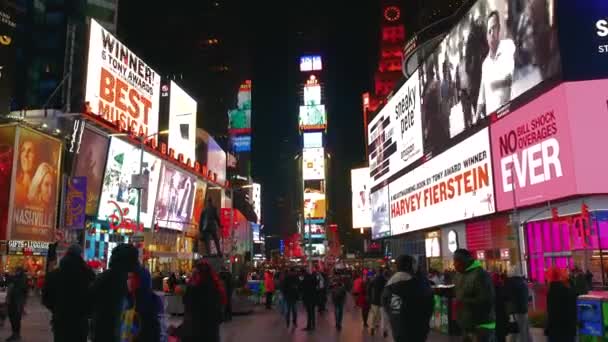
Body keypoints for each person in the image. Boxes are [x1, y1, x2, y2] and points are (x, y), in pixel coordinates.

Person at [42, 245, 95, 342]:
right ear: (80, 256)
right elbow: (93, 296)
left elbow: (45, 297)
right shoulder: (88, 274)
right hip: (80, 320)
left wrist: (56, 308)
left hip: (61, 319)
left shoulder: (55, 275)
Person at [91, 243, 140, 342]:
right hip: (114, 333)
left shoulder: (105, 277)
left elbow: (90, 301)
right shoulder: (126, 279)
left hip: (103, 331)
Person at [382, 255, 434, 342]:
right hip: (418, 329)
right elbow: (428, 305)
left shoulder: (390, 286)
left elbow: (391, 309)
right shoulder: (419, 284)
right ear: (411, 266)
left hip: (399, 331)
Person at [476, 10, 516, 120]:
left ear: (499, 28)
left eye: (494, 28)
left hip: (511, 113)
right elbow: (481, 95)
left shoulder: (508, 46)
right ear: (486, 36)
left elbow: (511, 78)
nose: (492, 33)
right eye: (489, 30)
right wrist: (476, 118)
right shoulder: (485, 64)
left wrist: (496, 84)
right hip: (493, 119)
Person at [453, 249, 496, 342]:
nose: (454, 264)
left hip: (481, 325)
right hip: (466, 324)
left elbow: (487, 300)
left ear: (464, 261)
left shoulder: (480, 275)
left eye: (456, 261)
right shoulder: (459, 275)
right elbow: (459, 293)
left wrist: (463, 301)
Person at [180, 260, 226, 342]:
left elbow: (186, 300)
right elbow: (220, 300)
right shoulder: (215, 282)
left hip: (195, 323)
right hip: (211, 323)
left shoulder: (194, 283)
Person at [120, 266, 163, 342]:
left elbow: (155, 332)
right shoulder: (127, 299)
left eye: (131, 277)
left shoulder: (152, 302)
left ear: (141, 280)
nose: (128, 281)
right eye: (128, 277)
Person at [545, 267, 577, 342]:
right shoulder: (567, 290)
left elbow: (550, 313)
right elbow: (573, 309)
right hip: (567, 328)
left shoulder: (550, 292)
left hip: (554, 329)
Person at [505, 267, 531, 342]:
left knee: (515, 330)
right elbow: (528, 296)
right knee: (524, 330)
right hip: (524, 309)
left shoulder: (510, 284)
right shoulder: (523, 282)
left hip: (515, 311)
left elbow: (507, 297)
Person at [5, 268, 28, 341]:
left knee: (15, 319)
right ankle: (15, 334)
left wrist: (9, 277)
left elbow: (21, 287)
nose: (15, 273)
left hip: (16, 302)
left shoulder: (22, 279)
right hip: (15, 302)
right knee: (13, 319)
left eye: (16, 271)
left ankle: (16, 335)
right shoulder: (18, 279)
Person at [367, 268, 388, 336]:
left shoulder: (374, 280)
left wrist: (369, 296)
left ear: (378, 272)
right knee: (384, 316)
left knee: (374, 314)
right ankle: (384, 330)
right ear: (383, 272)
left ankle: (372, 327)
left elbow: (369, 288)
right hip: (383, 301)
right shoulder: (385, 280)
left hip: (375, 300)